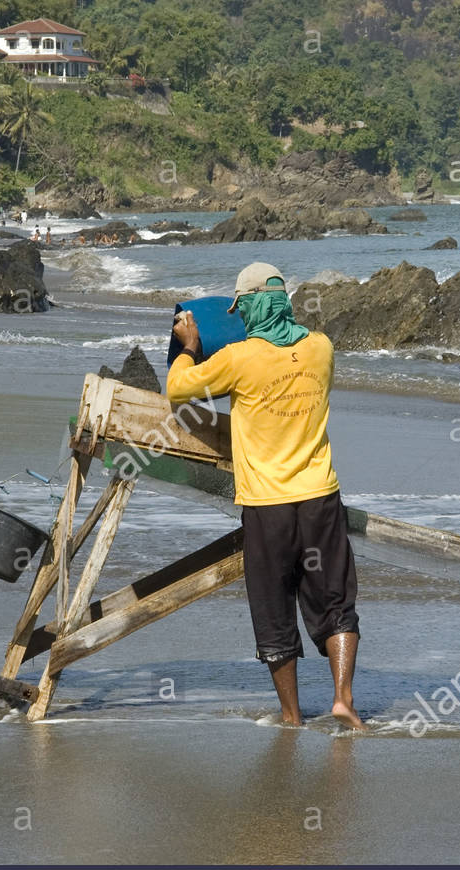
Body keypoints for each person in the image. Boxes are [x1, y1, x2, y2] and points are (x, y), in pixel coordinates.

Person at [166, 263, 365, 730]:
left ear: (250, 308)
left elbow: (179, 391)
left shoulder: (238, 359)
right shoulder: (321, 348)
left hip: (266, 506)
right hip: (320, 498)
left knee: (274, 608)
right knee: (335, 602)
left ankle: (292, 717)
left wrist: (190, 348)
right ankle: (342, 699)